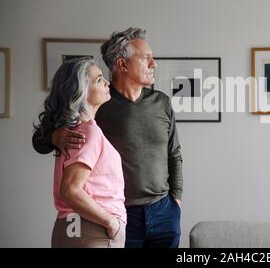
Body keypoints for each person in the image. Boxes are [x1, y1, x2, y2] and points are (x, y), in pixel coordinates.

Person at [33, 28, 183, 248]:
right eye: (146, 58)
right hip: (116, 214)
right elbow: (39, 140)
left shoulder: (161, 102)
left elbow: (174, 153)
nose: (154, 64)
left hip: (163, 211)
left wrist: (176, 201)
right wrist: (56, 136)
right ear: (123, 65)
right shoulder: (96, 101)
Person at [34, 58, 126, 248]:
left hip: (72, 229)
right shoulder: (88, 131)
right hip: (93, 230)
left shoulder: (73, 130)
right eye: (99, 79)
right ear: (81, 90)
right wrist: (112, 223)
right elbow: (70, 191)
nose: (107, 82)